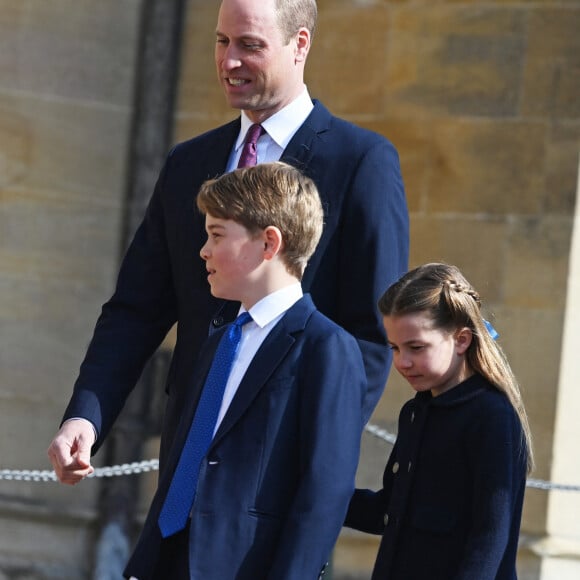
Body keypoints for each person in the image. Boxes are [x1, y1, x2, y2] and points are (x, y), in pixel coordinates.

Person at [47, 0, 408, 489]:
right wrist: (84, 419)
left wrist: (312, 457)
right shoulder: (187, 163)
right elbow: (136, 310)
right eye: (222, 41)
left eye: (250, 46)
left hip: (277, 476)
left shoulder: (360, 162)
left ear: (299, 44)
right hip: (184, 460)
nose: (229, 61)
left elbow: (369, 336)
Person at [124, 162, 366, 579]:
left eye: (217, 234)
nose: (203, 250)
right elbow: (190, 456)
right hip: (173, 557)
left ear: (269, 243)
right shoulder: (220, 339)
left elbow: (323, 493)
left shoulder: (326, 347)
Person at [345, 263, 534, 580]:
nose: (402, 362)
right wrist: (321, 493)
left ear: (461, 340)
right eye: (394, 348)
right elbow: (390, 512)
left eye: (416, 347)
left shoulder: (492, 416)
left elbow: (489, 539)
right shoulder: (415, 412)